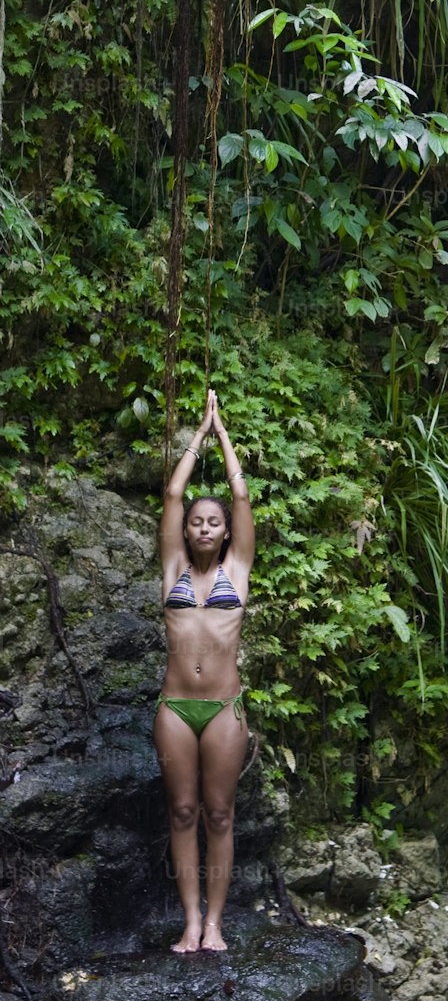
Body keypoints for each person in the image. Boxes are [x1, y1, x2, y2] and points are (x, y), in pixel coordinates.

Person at [155, 388, 255, 952]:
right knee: (184, 809)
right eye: (197, 522)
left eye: (214, 522)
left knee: (219, 814)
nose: (205, 528)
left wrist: (223, 436)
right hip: (174, 707)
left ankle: (215, 924)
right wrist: (196, 436)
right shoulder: (171, 569)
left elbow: (240, 495)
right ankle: (190, 921)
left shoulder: (237, 571)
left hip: (223, 708)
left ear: (224, 532)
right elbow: (173, 492)